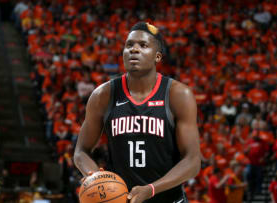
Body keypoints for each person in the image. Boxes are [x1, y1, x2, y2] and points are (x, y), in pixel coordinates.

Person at [74, 22, 201, 203]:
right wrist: (94, 177)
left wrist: (150, 190)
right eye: (129, 45)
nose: (134, 49)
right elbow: (81, 152)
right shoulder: (103, 95)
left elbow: (193, 161)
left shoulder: (178, 95)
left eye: (143, 45)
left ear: (157, 57)